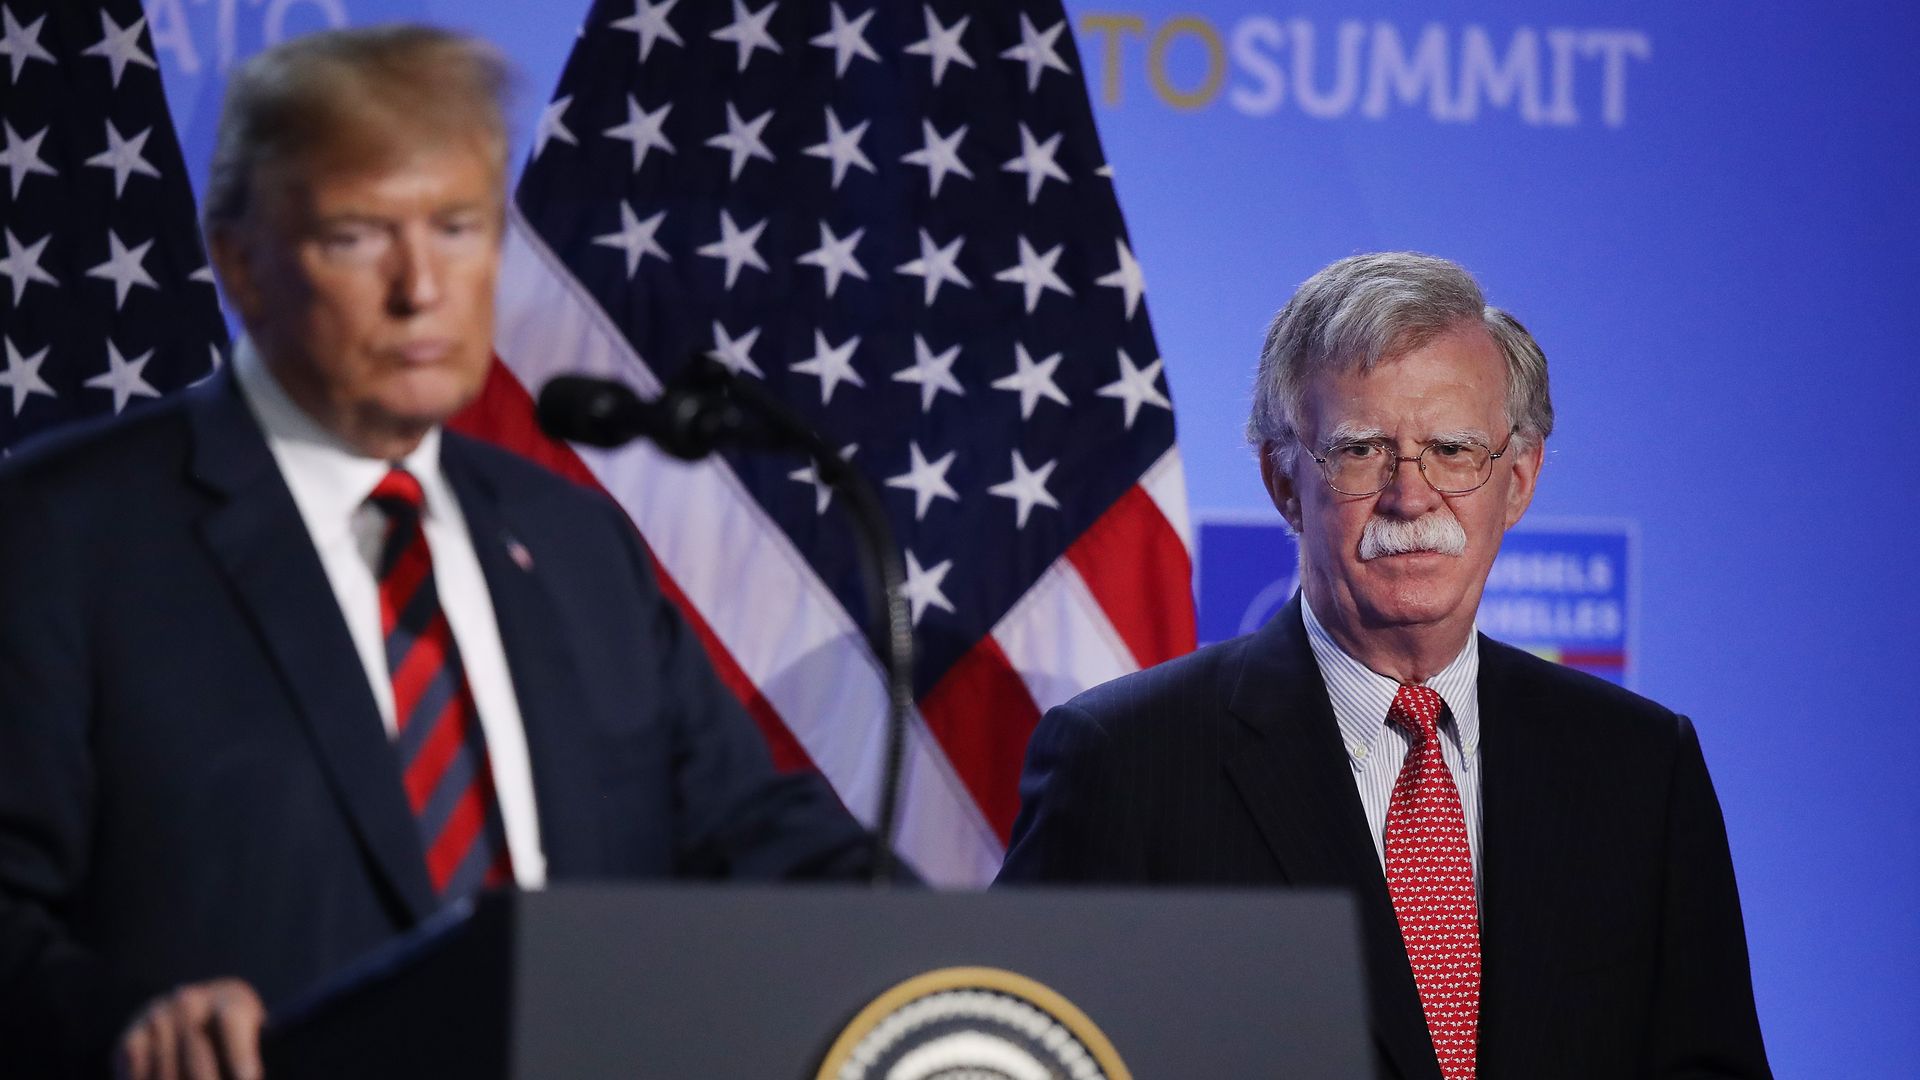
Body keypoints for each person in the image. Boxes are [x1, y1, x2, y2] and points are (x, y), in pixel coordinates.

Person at [0, 26, 874, 1080]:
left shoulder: (570, 541)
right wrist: (127, 1022)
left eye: (457, 228)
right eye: (360, 237)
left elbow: (755, 838)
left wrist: (962, 960)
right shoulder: (62, 536)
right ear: (238, 260)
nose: (421, 287)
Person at [997, 253, 1771, 1078]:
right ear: (1284, 482)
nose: (1413, 495)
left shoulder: (1641, 769)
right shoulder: (1126, 761)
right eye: (1362, 450)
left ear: (1518, 481)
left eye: (1453, 449)